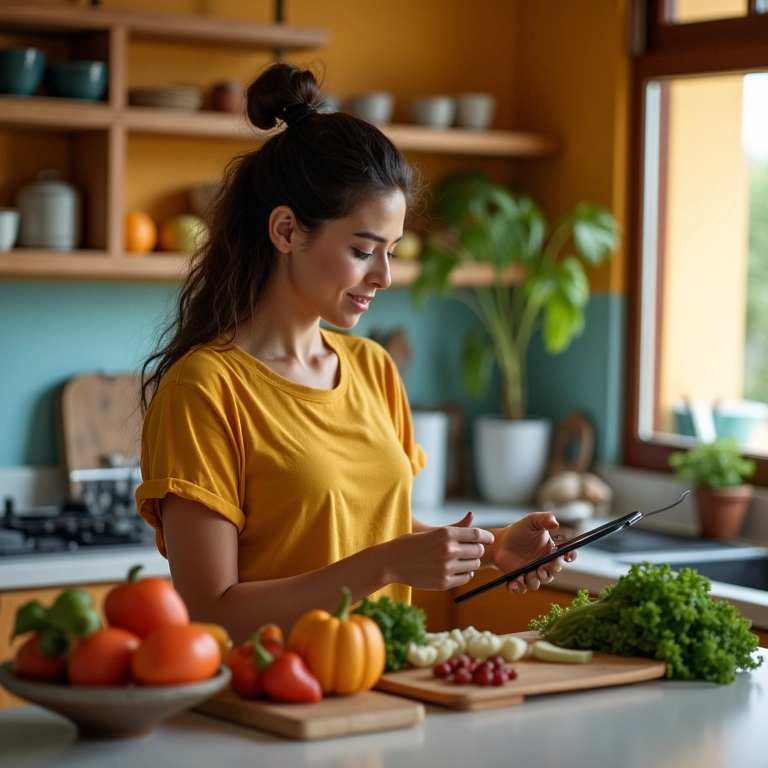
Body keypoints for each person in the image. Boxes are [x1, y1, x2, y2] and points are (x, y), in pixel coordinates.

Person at [136, 62, 575, 644]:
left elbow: (372, 525)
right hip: (267, 712)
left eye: (391, 250)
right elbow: (212, 613)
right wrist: (385, 568)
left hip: (383, 693)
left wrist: (495, 548)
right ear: (287, 231)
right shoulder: (205, 389)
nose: (385, 276)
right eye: (364, 250)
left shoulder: (372, 368)